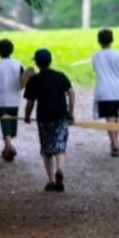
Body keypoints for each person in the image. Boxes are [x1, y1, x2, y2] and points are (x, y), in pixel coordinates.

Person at [24, 48, 75, 192]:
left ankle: (51, 180)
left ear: (37, 64)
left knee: (46, 148)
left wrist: (27, 116)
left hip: (44, 117)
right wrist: (71, 112)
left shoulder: (34, 80)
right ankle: (59, 169)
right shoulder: (60, 76)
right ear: (50, 61)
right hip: (60, 115)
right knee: (60, 145)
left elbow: (30, 103)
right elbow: (71, 92)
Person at [92, 28, 119, 157]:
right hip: (117, 91)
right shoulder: (118, 55)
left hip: (103, 91)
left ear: (99, 41)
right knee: (114, 117)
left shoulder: (96, 56)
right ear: (112, 40)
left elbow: (95, 69)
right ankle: (114, 142)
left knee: (110, 118)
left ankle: (114, 143)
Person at [0, 38, 24, 161]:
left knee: (5, 124)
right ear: (12, 50)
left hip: (1, 100)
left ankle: (9, 147)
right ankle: (7, 149)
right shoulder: (18, 64)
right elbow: (24, 81)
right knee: (12, 126)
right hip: (15, 99)